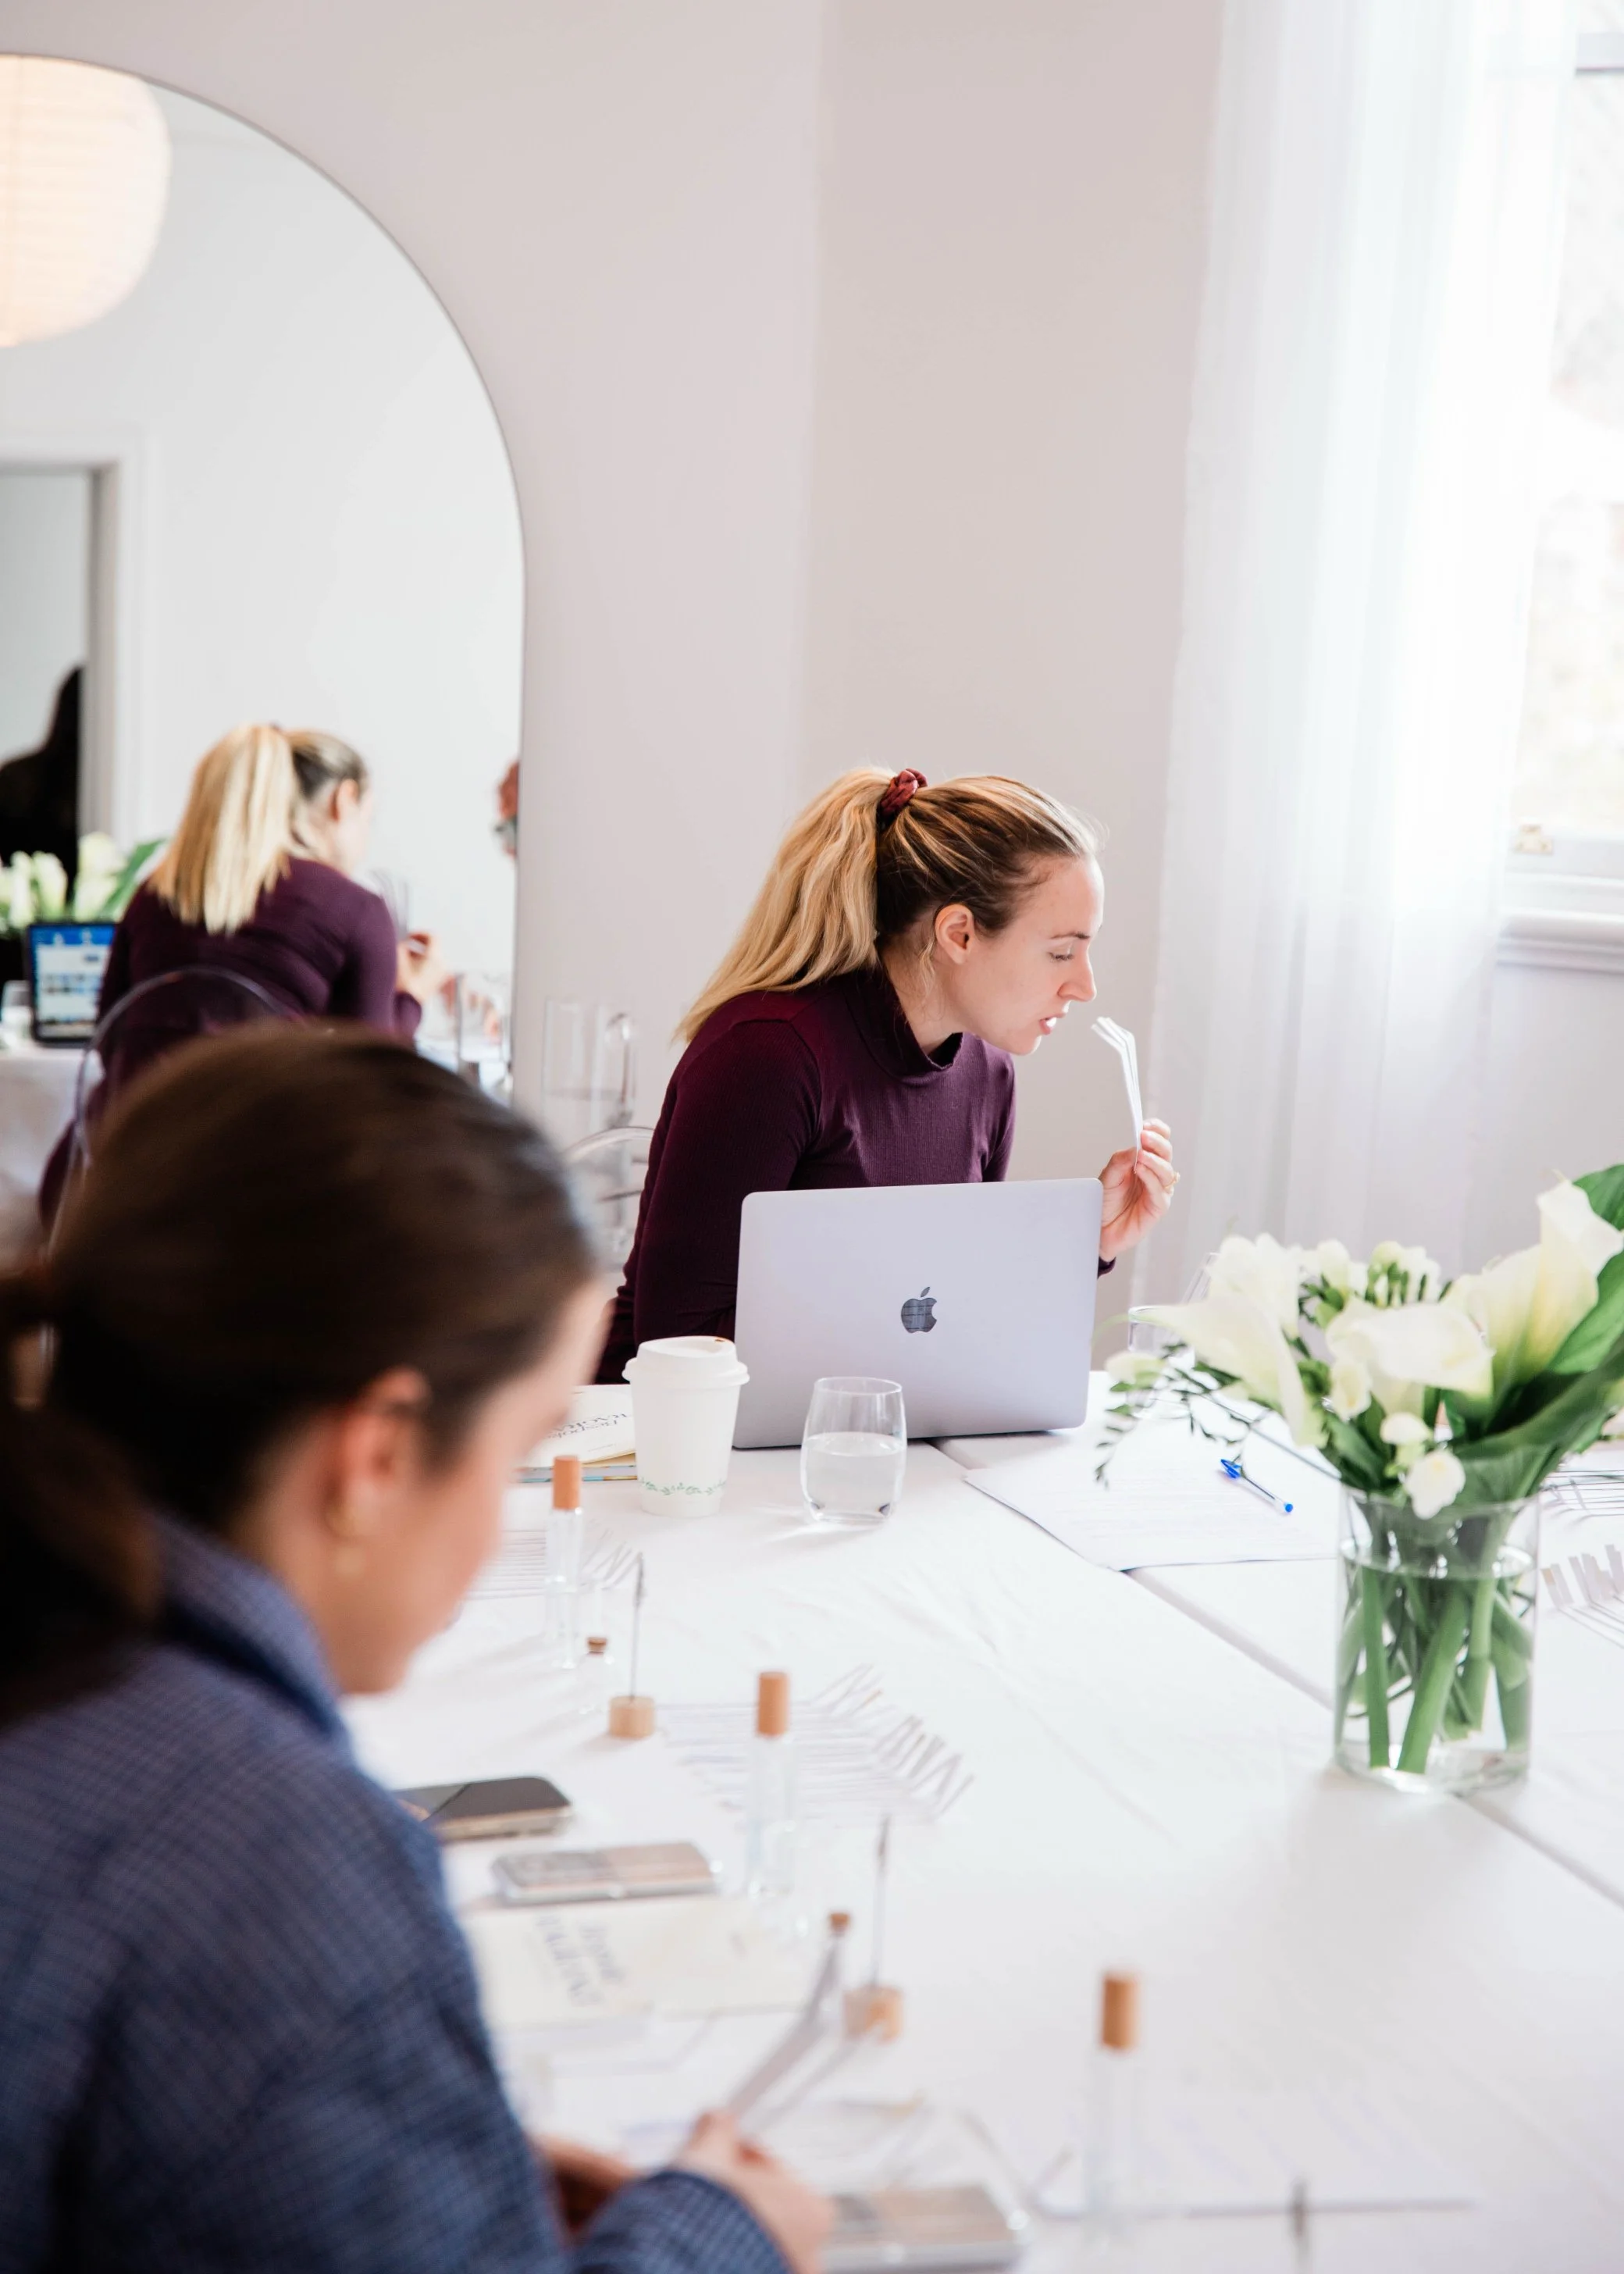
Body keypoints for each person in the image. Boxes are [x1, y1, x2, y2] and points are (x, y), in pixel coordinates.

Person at [0, 1027, 828, 2274]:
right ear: (378, 1453)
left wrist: (405, 2154)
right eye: (520, 1448)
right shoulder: (270, 1849)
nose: (508, 1511)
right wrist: (720, 2234)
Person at [599, 766, 1176, 1381]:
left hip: (852, 1432)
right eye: (1062, 952)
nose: (1085, 986)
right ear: (959, 933)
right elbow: (676, 1338)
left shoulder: (989, 1075)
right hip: (665, 1442)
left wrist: (1087, 1245)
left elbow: (940, 1304)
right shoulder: (768, 1056)